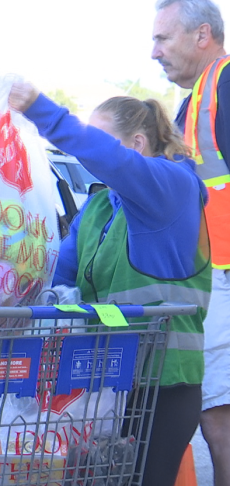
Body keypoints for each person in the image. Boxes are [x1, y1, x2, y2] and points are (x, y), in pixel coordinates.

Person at [9, 83, 211, 486]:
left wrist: (37, 108)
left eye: (100, 141)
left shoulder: (172, 188)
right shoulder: (101, 205)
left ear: (136, 144)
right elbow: (60, 276)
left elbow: (111, 161)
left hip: (163, 383)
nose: (89, 156)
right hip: (105, 381)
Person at [153, 1, 230, 483]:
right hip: (213, 274)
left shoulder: (222, 89)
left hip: (221, 275)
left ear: (202, 35)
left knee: (216, 413)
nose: (154, 52)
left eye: (163, 39)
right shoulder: (200, 96)